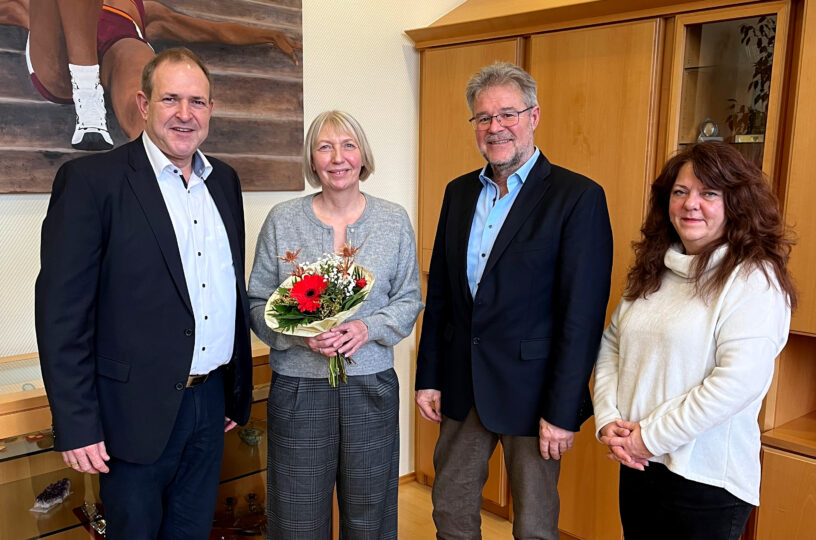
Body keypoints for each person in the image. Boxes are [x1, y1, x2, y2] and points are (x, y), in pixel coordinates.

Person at [35, 47, 253, 538]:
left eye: (197, 102)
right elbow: (61, 313)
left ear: (211, 111)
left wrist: (233, 391)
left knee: (192, 530)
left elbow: (225, 290)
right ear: (143, 103)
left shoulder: (225, 182)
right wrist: (76, 423)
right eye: (170, 99)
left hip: (209, 405)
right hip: (129, 414)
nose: (184, 114)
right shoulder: (92, 182)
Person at [415, 61, 614, 539]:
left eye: (507, 114)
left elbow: (581, 317)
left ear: (533, 116)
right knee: (450, 510)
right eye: (483, 118)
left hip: (535, 394)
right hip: (463, 384)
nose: (495, 127)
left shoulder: (577, 197)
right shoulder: (458, 193)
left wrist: (563, 410)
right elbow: (440, 295)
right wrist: (429, 377)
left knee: (534, 526)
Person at [593, 141, 796, 540]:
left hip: (705, 480)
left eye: (709, 193)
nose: (691, 204)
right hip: (639, 465)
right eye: (681, 192)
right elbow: (613, 342)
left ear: (737, 203)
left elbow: (736, 382)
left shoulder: (754, 279)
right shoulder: (657, 267)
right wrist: (608, 419)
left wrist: (648, 438)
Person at [248, 110, 423, 539]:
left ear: (363, 155)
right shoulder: (282, 220)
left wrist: (369, 328)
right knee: (297, 514)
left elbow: (409, 298)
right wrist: (299, 335)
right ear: (312, 159)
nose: (337, 157)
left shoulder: (393, 220)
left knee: (371, 512)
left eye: (348, 145)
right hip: (299, 388)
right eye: (325, 146)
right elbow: (257, 302)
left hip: (370, 384)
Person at [2, 0, 300, 149]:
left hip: (119, 53)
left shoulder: (142, 8)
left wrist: (269, 35)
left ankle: (155, 166)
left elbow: (211, 29)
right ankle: (85, 87)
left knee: (138, 62)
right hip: (60, 62)